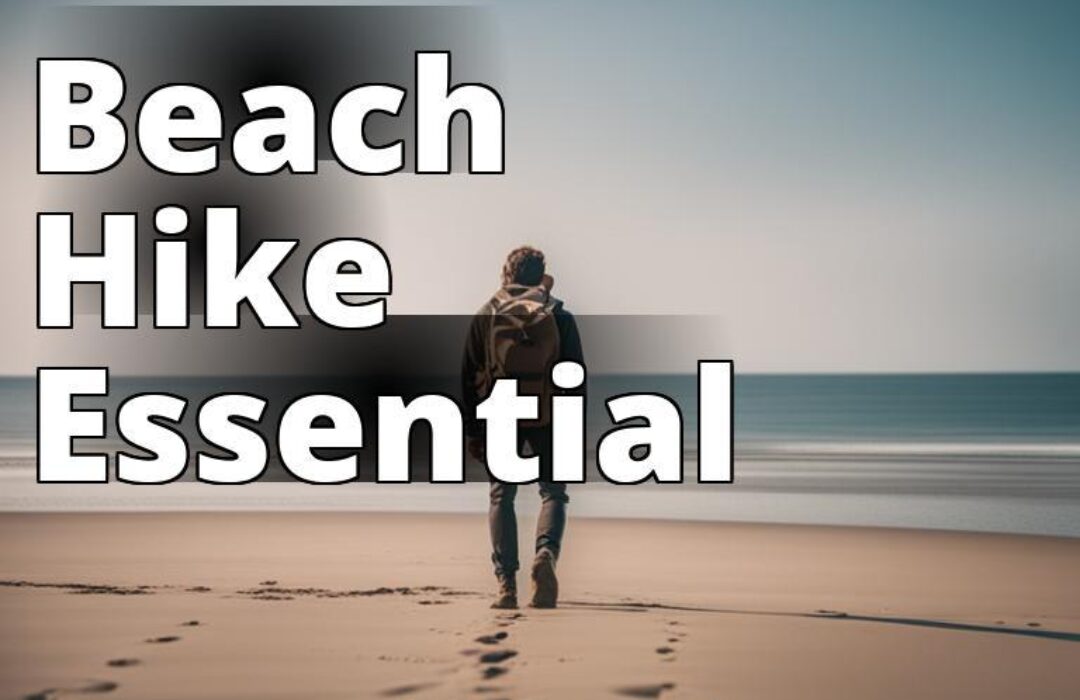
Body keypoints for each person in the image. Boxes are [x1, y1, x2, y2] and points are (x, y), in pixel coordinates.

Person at [461, 246, 585, 609]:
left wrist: (473, 430)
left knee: (502, 495)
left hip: (501, 412)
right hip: (550, 413)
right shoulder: (559, 315)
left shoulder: (487, 315)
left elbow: (468, 376)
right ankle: (545, 555)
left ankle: (506, 586)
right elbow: (575, 375)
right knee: (553, 493)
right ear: (542, 274)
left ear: (506, 273)